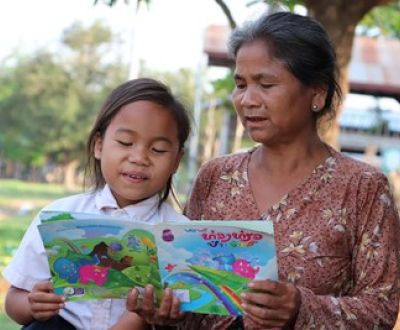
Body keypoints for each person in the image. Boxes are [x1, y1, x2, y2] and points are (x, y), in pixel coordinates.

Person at [124, 10, 400, 330]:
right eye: (240, 84)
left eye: (266, 84)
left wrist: (301, 308)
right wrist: (167, 312)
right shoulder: (216, 177)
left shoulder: (362, 187)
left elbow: (381, 308)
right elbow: (189, 292)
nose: (247, 100)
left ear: (318, 92)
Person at [2, 77, 192, 330]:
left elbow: (183, 314)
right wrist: (32, 304)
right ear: (99, 146)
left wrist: (154, 316)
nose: (139, 158)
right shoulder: (59, 217)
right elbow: (14, 301)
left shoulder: (181, 236)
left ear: (177, 160)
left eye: (157, 149)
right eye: (125, 143)